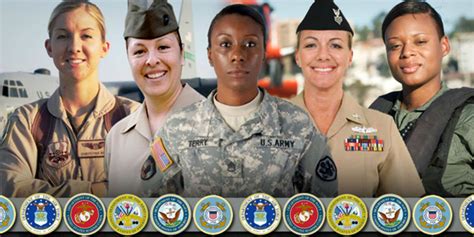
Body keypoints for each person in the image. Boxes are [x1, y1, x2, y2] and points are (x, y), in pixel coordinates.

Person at [153, 4, 338, 198]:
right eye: (225, 45)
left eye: (250, 44)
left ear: (264, 53)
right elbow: (152, 206)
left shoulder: (299, 126)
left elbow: (325, 206)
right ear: (210, 55)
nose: (237, 56)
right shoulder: (176, 128)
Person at [0, 0, 138, 197]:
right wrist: (95, 191)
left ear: (104, 48)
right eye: (63, 36)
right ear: (49, 47)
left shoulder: (135, 118)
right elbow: (11, 192)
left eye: (86, 36)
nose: (74, 47)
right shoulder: (26, 121)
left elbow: (155, 190)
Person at [289, 0, 424, 197]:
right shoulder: (268, 124)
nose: (323, 55)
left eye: (335, 45)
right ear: (298, 57)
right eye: (311, 45)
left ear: (349, 56)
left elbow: (411, 211)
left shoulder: (382, 128)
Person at [370, 0, 474, 196]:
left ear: (444, 46)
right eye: (394, 45)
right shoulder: (375, 114)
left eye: (420, 41)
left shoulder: (468, 117)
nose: (407, 52)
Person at [105, 0, 204, 197]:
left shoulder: (220, 125)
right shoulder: (116, 138)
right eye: (139, 51)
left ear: (182, 54)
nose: (152, 60)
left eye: (163, 47)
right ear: (129, 59)